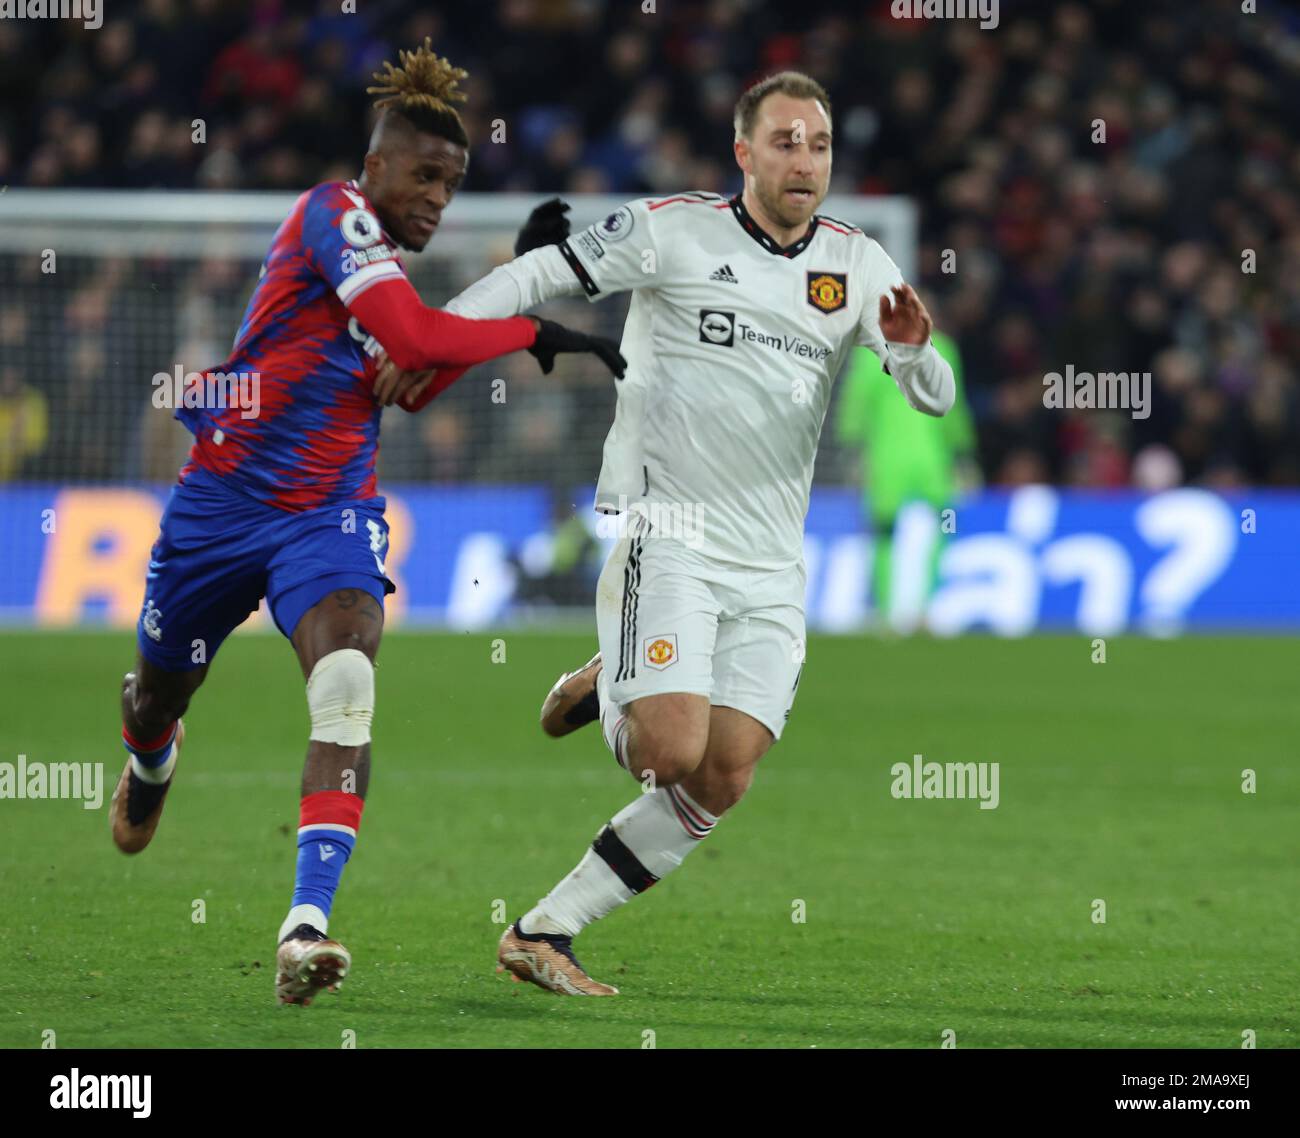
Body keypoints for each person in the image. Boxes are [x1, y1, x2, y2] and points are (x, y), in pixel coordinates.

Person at [381, 70, 955, 995]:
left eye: (817, 144)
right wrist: (431, 334)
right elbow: (542, 271)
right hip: (672, 531)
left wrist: (920, 355)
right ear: (745, 152)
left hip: (773, 560)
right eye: (784, 141)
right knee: (667, 751)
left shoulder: (856, 266)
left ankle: (543, 931)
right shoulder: (673, 229)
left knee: (724, 774)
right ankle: (625, 680)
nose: (804, 160)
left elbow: (933, 396)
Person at [110, 40, 624, 1008]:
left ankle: (305, 925)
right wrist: (536, 328)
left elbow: (418, 369)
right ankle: (151, 752)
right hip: (221, 506)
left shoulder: (382, 270)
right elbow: (424, 337)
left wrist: (528, 281)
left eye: (453, 181)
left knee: (348, 678)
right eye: (424, 175)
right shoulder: (329, 214)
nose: (437, 196)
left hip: (330, 512)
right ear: (374, 167)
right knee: (156, 694)